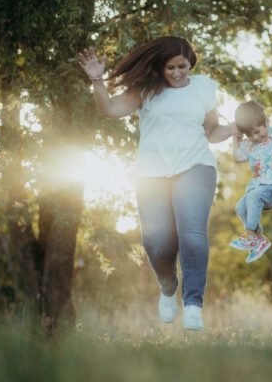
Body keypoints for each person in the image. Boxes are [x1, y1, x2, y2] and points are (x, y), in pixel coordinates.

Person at [78, 36, 234, 331]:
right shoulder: (146, 89)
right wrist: (97, 80)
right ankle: (167, 285)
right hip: (151, 173)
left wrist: (236, 129)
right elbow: (109, 110)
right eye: (170, 67)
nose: (177, 73)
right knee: (156, 241)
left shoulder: (203, 87)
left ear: (190, 63)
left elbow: (211, 131)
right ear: (160, 68)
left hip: (196, 166)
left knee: (192, 233)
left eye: (182, 66)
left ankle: (192, 305)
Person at [229, 84, 272, 263]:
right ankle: (258, 239)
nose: (256, 137)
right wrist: (236, 138)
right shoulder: (250, 145)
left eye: (258, 131)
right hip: (261, 189)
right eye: (250, 135)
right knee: (240, 207)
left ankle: (250, 234)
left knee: (253, 196)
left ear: (266, 122)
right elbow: (237, 157)